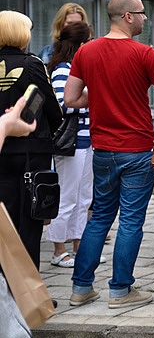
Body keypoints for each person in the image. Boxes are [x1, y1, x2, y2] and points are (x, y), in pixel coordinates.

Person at [65, 0, 154, 309]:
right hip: (137, 150)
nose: (145, 19)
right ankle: (120, 291)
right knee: (130, 222)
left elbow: (70, 99)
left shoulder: (86, 51)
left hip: (103, 151)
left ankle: (81, 287)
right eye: (141, 13)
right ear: (127, 17)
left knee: (98, 220)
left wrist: (98, 97)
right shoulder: (144, 54)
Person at [0, 10, 63, 268]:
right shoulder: (33, 63)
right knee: (28, 224)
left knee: (4, 224)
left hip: (2, 152)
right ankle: (26, 296)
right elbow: (52, 109)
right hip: (30, 155)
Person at [45, 22, 93, 268]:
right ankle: (58, 249)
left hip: (86, 139)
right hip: (71, 141)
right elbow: (63, 104)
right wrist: (93, 96)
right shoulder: (63, 69)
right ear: (80, 44)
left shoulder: (77, 68)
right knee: (67, 196)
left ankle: (78, 246)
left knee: (84, 197)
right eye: (89, 40)